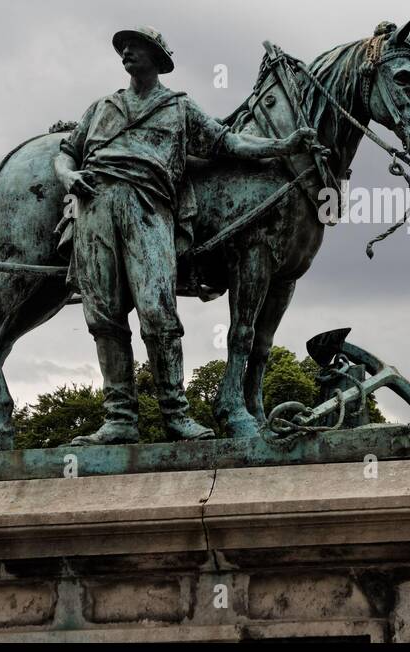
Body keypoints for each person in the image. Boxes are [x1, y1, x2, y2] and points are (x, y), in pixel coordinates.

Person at [55, 26, 318, 445]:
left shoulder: (178, 107)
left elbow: (226, 142)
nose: (126, 52)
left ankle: (176, 416)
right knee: (103, 317)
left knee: (158, 314)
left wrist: (281, 147)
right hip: (95, 205)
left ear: (157, 59)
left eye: (135, 47)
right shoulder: (102, 107)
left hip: (149, 206)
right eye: (123, 48)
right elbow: (67, 151)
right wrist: (67, 174)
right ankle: (119, 418)